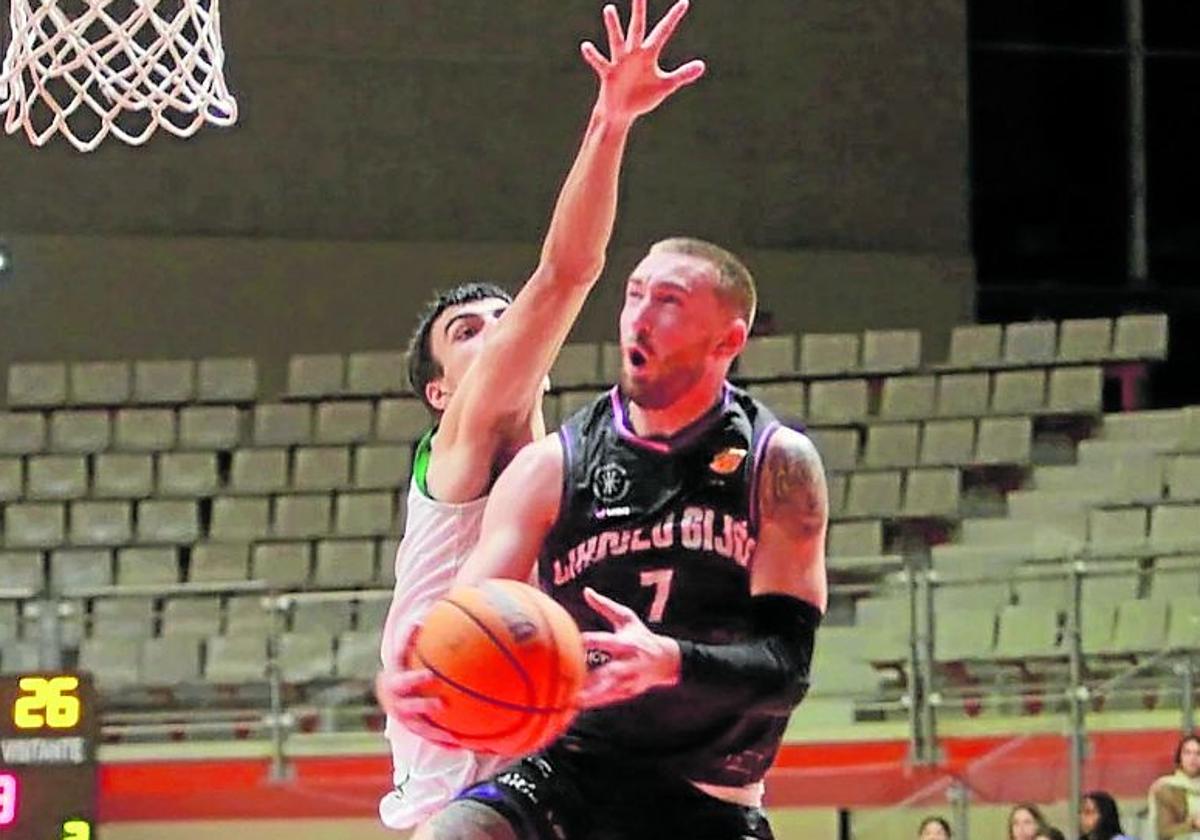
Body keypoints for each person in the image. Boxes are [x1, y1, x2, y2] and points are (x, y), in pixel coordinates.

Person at [372, 0, 706, 829]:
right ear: (439, 391)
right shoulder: (462, 439)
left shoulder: (567, 467)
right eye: (467, 331)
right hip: (458, 781)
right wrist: (611, 119)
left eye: (500, 319)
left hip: (547, 771)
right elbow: (566, 272)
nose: (496, 332)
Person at [395, 236, 826, 834]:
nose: (641, 317)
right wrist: (419, 675)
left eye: (669, 301)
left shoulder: (776, 463)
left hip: (707, 793)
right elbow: (465, 616)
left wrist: (672, 662)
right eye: (634, 295)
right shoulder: (553, 466)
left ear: (727, 341)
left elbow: (786, 671)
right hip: (571, 772)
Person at [1149, 733, 1200, 838]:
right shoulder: (1166, 788)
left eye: (1198, 753)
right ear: (1180, 757)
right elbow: (1164, 832)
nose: (1193, 758)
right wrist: (1193, 824)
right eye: (1187, 753)